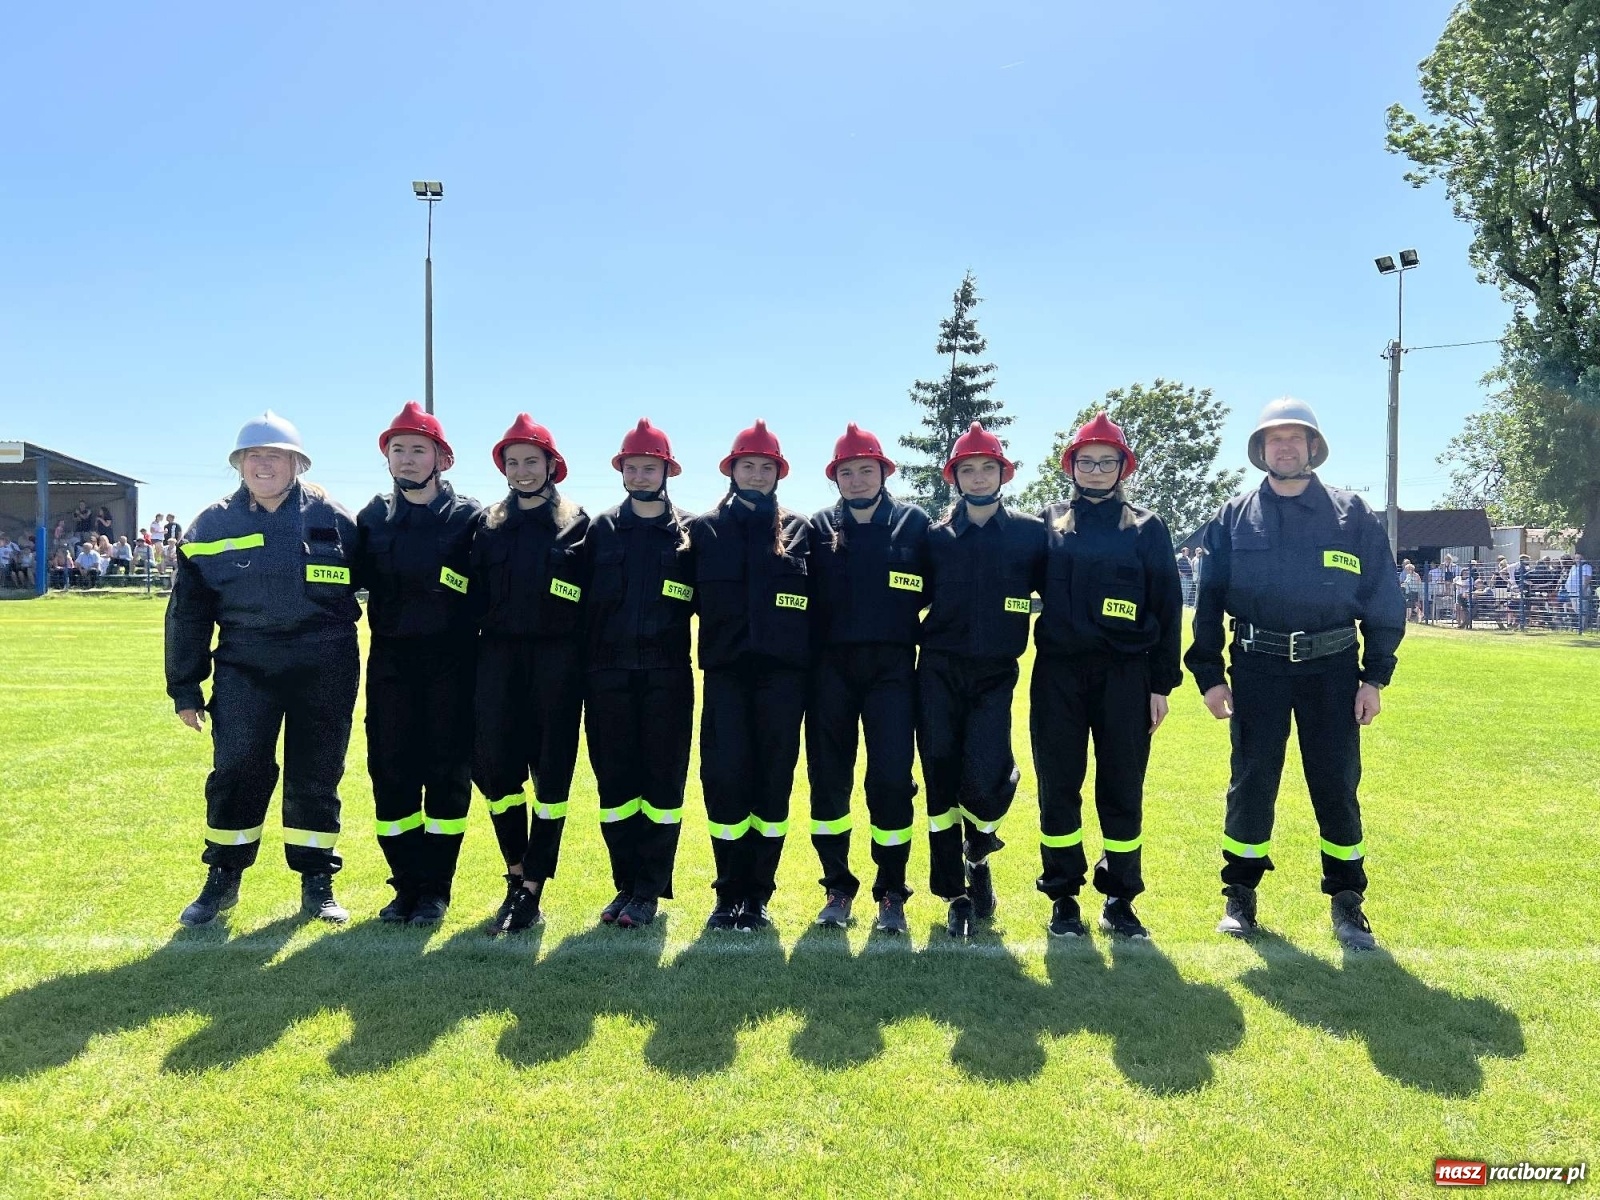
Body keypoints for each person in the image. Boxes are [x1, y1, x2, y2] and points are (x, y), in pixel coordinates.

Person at [1185, 398, 1406, 951]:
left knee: (1335, 783)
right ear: (1260, 451)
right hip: (1257, 667)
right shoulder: (1232, 516)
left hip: (1333, 670)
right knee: (1252, 780)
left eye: (1295, 439)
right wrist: (1210, 674)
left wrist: (1374, 677)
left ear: (1313, 447)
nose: (1285, 448)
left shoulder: (1351, 514)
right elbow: (1207, 602)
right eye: (1273, 440)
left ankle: (1348, 902)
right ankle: (1240, 895)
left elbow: (1383, 598)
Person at [166, 411, 362, 926]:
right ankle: (222, 879)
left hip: (326, 663)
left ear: (297, 462)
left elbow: (384, 587)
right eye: (253, 455)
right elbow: (187, 612)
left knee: (317, 775)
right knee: (237, 770)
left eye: (275, 455)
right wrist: (185, 687)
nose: (263, 463)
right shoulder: (211, 524)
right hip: (244, 666)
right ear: (238, 464)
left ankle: (317, 880)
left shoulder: (335, 517)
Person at [1031, 413, 1183, 940]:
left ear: (1123, 467)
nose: (1096, 470)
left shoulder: (1146, 527)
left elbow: (1168, 605)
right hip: (1058, 676)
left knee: (1121, 786)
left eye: (1107, 461)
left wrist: (1161, 685)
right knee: (1059, 785)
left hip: (1127, 676)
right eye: (1086, 461)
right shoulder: (1045, 523)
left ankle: (1120, 897)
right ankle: (1063, 897)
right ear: (1071, 465)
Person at [353, 401, 482, 925]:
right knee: (391, 775)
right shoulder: (370, 519)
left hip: (453, 668)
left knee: (447, 776)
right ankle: (404, 884)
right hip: (390, 667)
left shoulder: (471, 519)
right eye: (397, 450)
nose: (406, 460)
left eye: (418, 450)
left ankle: (435, 890)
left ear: (442, 459)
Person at [917, 423, 1046, 937]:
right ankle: (957, 892)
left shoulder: (1031, 534)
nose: (976, 476)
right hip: (939, 672)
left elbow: (1062, 594)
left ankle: (981, 849)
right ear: (954, 477)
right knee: (940, 779)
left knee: (988, 776)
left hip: (996, 673)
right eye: (966, 469)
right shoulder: (937, 538)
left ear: (1002, 474)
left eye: (986, 467)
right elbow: (908, 595)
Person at [807, 423, 931, 934]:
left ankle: (891, 891)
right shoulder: (816, 527)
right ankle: (837, 886)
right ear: (835, 478)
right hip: (829, 670)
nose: (857, 479)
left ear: (884, 471)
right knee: (829, 782)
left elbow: (934, 589)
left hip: (892, 672)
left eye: (866, 469)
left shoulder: (914, 524)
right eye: (847, 472)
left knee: (890, 783)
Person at [688, 420, 812, 931]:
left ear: (778, 474)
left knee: (772, 786)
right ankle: (727, 891)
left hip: (784, 683)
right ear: (732, 471)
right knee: (723, 783)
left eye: (767, 467)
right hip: (726, 678)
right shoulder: (702, 531)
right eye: (748, 466)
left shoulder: (800, 531)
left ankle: (758, 894)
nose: (757, 475)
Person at [473, 415, 589, 935]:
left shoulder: (578, 524)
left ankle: (534, 886)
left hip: (558, 665)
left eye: (531, 461)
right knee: (498, 775)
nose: (521, 471)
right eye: (512, 462)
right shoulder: (487, 525)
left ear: (551, 466)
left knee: (552, 777)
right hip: (496, 662)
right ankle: (514, 872)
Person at [580, 419, 696, 929]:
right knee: (616, 787)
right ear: (622, 472)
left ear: (667, 470)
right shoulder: (599, 530)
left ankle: (650, 890)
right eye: (633, 467)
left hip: (668, 676)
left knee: (662, 787)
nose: (641, 474)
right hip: (606, 676)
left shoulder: (691, 533)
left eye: (651, 466)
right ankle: (623, 884)